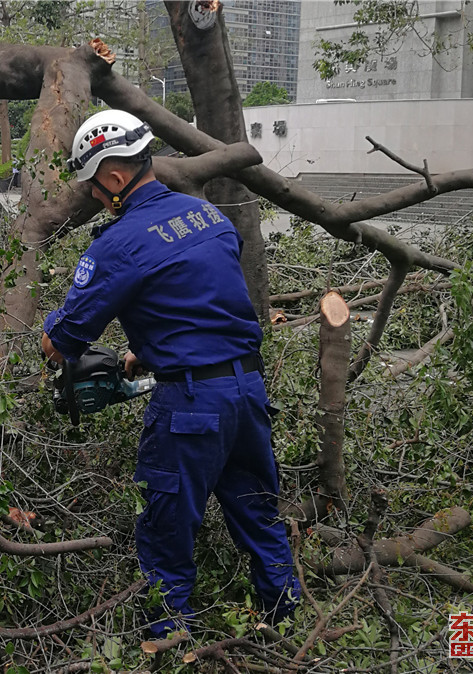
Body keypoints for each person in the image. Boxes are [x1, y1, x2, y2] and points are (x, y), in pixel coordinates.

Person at [41, 110, 300, 637]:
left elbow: (60, 342)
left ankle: (168, 640)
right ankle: (287, 623)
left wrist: (51, 337)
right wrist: (152, 352)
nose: (93, 196)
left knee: (165, 529)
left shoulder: (118, 244)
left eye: (93, 185)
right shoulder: (208, 217)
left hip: (190, 409)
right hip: (248, 391)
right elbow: (203, 296)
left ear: (114, 178)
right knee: (258, 513)